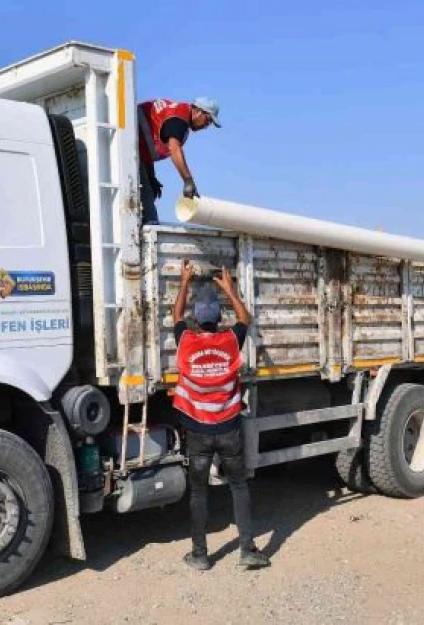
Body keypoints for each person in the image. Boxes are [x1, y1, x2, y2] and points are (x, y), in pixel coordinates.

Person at [173, 259, 269, 570]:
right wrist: (230, 289)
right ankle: (247, 550)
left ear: (196, 321)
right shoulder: (230, 341)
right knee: (239, 486)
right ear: (218, 319)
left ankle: (200, 555)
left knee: (199, 491)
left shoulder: (186, 341)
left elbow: (176, 315)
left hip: (199, 432)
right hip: (229, 428)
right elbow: (245, 318)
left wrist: (185, 281)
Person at [137, 97, 221, 225]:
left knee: (146, 196)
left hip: (133, 146)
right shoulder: (179, 119)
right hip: (128, 145)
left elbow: (146, 147)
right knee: (149, 215)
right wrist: (188, 181)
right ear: (199, 112)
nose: (206, 126)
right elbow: (174, 149)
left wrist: (151, 176)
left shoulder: (177, 113)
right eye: (208, 120)